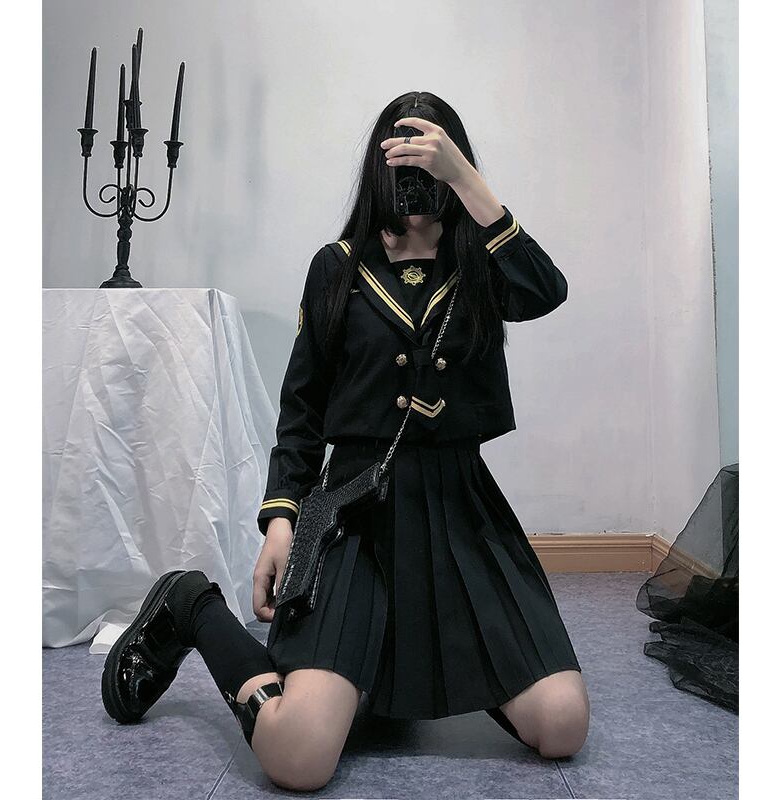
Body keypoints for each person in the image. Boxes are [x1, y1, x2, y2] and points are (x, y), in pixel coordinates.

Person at [102, 91, 591, 791]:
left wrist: (467, 181)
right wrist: (282, 519)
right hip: (356, 516)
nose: (417, 178)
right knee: (298, 756)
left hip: (462, 513)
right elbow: (301, 408)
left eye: (433, 161)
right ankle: (191, 607)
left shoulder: (483, 261)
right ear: (378, 168)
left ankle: (425, 672)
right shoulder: (337, 267)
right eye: (404, 161)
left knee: (562, 725)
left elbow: (546, 291)